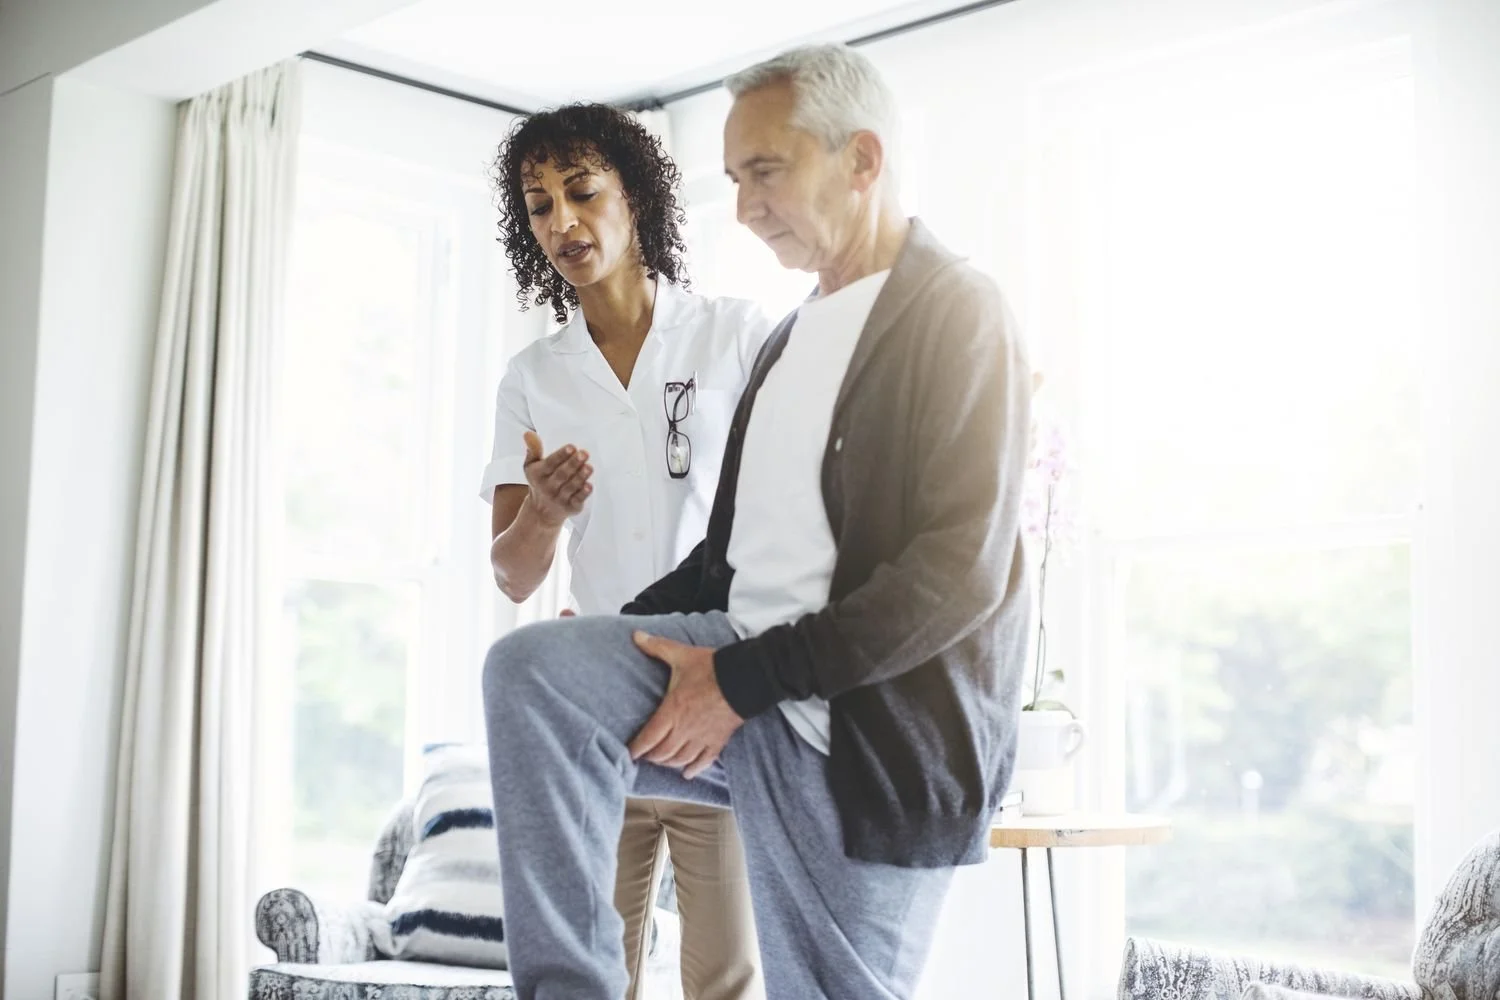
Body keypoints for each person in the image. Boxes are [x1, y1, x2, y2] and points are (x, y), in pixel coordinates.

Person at [482, 44, 1032, 1000]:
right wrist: (631, 629)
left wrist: (740, 681)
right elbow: (729, 554)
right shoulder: (793, 332)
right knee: (534, 674)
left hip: (862, 742)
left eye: (766, 172)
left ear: (862, 161)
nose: (744, 207)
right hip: (740, 680)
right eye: (735, 179)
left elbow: (960, 571)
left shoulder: (960, 312)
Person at [480, 102, 770, 1000]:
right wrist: (545, 515)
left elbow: (791, 517)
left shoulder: (735, 335)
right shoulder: (535, 377)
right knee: (592, 970)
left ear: (634, 195)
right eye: (538, 206)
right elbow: (512, 569)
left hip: (710, 695)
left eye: (582, 192)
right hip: (596, 707)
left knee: (724, 976)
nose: (562, 222)